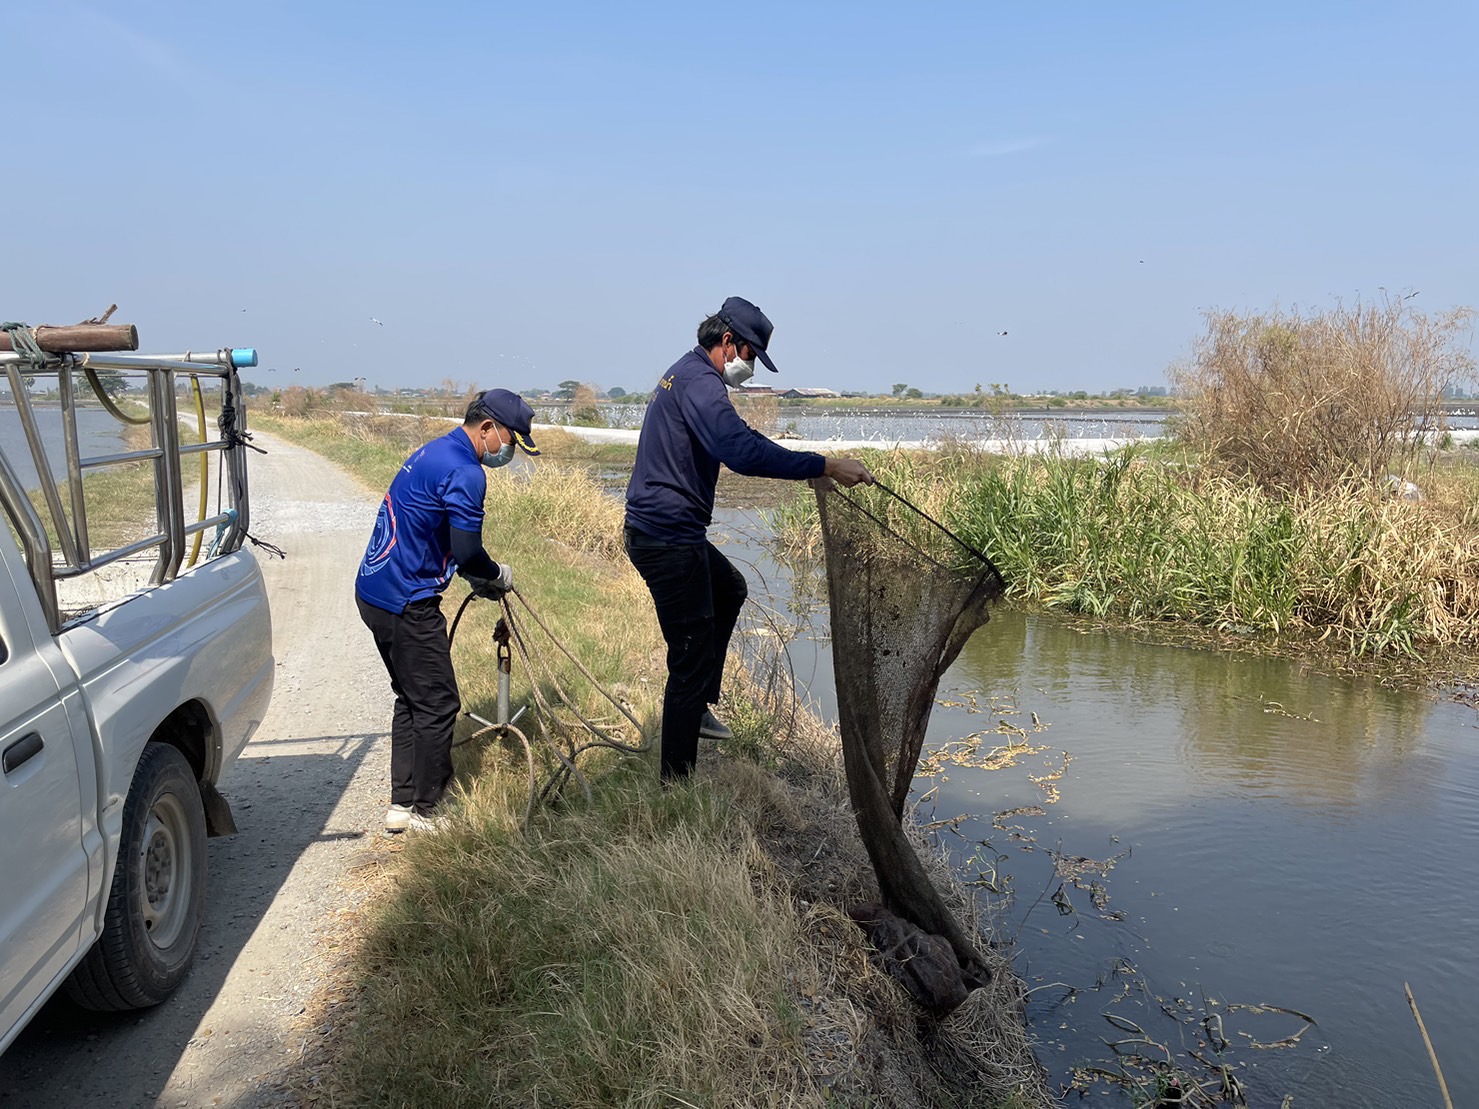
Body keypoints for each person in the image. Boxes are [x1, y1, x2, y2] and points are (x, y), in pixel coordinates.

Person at [624, 296, 875, 781]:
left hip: (667, 531)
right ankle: (676, 787)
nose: (752, 367)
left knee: (729, 587)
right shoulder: (700, 382)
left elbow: (739, 438)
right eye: (750, 355)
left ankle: (695, 705)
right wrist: (822, 464)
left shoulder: (688, 374)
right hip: (666, 538)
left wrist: (808, 465)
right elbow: (738, 450)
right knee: (690, 654)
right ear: (726, 342)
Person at [355, 389, 539, 832]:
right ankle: (428, 812)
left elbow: (441, 538)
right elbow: (468, 551)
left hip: (373, 592)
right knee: (439, 705)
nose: (510, 451)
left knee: (412, 697)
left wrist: (474, 571)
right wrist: (494, 574)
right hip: (406, 601)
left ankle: (402, 805)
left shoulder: (434, 450)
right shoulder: (466, 471)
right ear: (488, 428)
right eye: (511, 439)